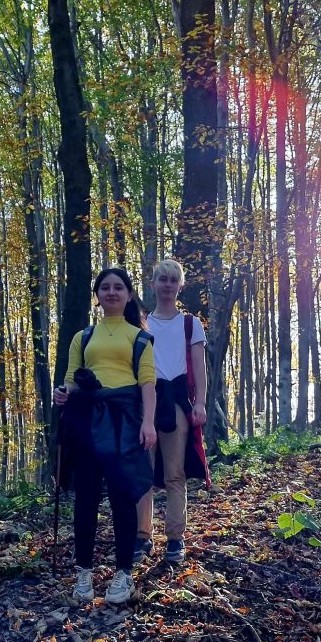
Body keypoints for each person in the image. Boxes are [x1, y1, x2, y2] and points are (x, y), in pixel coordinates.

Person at [54, 267, 157, 605]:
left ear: (128, 295)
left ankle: (123, 573)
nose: (112, 292)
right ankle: (83, 573)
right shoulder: (82, 337)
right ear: (97, 296)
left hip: (125, 423)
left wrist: (148, 423)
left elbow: (147, 382)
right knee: (85, 497)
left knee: (121, 496)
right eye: (105, 288)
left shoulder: (140, 337)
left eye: (118, 287)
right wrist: (63, 393)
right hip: (85, 421)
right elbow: (71, 377)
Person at [135, 259, 210, 565]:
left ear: (180, 285)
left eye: (172, 280)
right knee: (143, 474)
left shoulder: (190, 324)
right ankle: (142, 536)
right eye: (161, 279)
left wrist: (201, 403)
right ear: (152, 285)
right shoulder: (140, 323)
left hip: (178, 402)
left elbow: (200, 368)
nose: (167, 285)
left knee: (174, 473)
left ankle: (175, 539)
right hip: (145, 404)